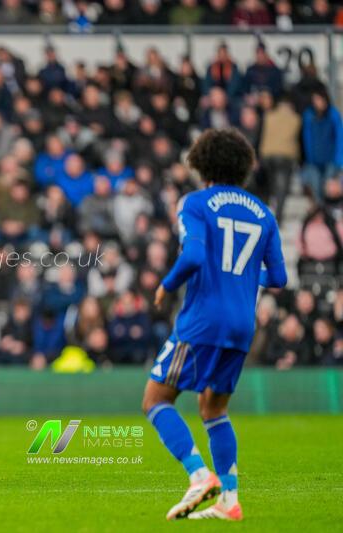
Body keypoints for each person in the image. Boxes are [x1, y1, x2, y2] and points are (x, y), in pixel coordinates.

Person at [141, 129, 287, 521]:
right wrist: (239, 281)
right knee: (214, 409)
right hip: (242, 324)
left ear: (201, 163)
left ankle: (199, 475)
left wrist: (165, 285)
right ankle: (230, 501)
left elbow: (193, 255)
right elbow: (278, 278)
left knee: (155, 400)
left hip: (204, 319)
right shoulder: (263, 211)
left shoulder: (197, 202)